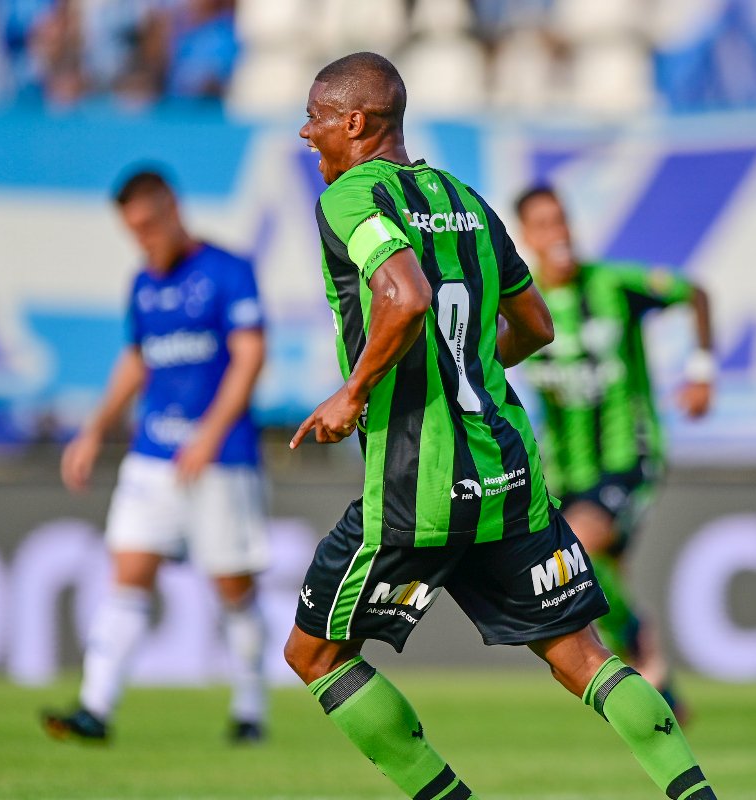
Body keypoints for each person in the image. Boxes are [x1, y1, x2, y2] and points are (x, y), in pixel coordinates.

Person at [284, 51, 717, 800]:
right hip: (507, 475)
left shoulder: (352, 196)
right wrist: (469, 372)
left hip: (415, 487)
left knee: (314, 656)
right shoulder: (467, 201)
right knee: (581, 655)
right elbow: (536, 325)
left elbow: (407, 295)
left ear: (354, 123)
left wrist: (353, 392)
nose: (305, 132)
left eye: (317, 119)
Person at [41, 168, 270, 745]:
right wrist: (94, 429)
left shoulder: (227, 270)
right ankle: (95, 708)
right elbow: (138, 361)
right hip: (152, 455)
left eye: (147, 226)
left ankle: (250, 709)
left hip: (220, 459)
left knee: (233, 587)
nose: (141, 240)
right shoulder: (142, 283)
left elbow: (249, 356)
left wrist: (212, 434)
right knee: (128, 574)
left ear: (172, 209)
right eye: (131, 231)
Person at [515, 185, 715, 716]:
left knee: (580, 547)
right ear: (527, 237)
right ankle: (651, 666)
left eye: (562, 220)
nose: (557, 233)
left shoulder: (614, 286)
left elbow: (693, 293)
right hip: (564, 468)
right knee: (593, 572)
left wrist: (701, 373)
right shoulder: (522, 302)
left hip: (629, 455)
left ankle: (640, 662)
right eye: (544, 224)